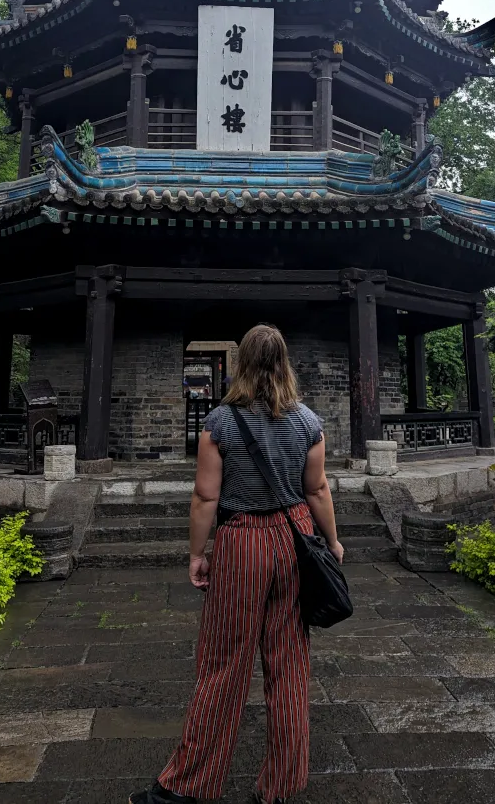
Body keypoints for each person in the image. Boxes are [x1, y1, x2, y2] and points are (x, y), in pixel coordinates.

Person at [129, 324, 343, 804]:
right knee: (289, 666)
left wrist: (197, 554)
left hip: (242, 541)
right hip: (295, 539)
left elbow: (205, 496)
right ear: (284, 362)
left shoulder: (220, 422)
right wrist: (331, 541)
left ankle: (189, 787)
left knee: (223, 664)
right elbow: (317, 489)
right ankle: (281, 788)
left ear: (241, 363)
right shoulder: (309, 421)